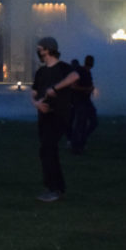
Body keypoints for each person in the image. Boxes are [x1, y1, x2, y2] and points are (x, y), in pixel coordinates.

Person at [31, 37, 80, 202]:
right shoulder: (40, 72)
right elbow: (34, 93)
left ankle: (55, 189)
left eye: (40, 49)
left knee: (48, 148)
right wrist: (37, 104)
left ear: (48, 49)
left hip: (58, 115)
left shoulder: (63, 68)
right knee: (45, 151)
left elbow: (74, 76)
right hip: (43, 117)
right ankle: (53, 186)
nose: (38, 52)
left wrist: (55, 88)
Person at [69, 56, 96, 154]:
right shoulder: (80, 71)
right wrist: (86, 89)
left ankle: (81, 140)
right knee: (80, 123)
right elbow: (74, 86)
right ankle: (76, 145)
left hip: (86, 100)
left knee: (93, 122)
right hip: (79, 101)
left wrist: (90, 88)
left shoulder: (88, 72)